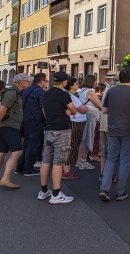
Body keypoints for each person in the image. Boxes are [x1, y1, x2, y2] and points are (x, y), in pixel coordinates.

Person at [99, 69, 130, 202]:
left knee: (111, 159)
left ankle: (104, 188)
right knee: (125, 160)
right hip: (129, 129)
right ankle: (120, 192)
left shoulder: (111, 91)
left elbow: (105, 110)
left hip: (113, 129)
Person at [38, 72, 77, 203]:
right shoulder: (64, 94)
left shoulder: (47, 93)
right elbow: (74, 110)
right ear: (64, 82)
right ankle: (56, 193)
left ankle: (43, 191)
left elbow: (44, 110)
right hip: (61, 130)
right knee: (58, 162)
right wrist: (68, 112)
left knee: (46, 160)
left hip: (48, 129)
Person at [0, 73, 32, 189]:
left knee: (1, 152)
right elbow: (2, 110)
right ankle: (5, 179)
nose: (29, 83)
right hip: (10, 126)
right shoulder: (13, 93)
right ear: (21, 83)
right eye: (27, 81)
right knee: (17, 152)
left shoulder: (14, 92)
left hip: (6, 126)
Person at [15, 73, 47, 176]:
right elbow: (43, 108)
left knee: (26, 144)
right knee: (32, 146)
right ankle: (28, 169)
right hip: (37, 121)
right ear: (41, 81)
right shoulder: (40, 91)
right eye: (45, 81)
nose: (45, 83)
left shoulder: (26, 90)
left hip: (26, 120)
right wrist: (48, 120)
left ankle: (20, 167)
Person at [62, 77, 88, 180]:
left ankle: (67, 169)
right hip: (75, 123)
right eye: (76, 83)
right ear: (71, 86)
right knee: (72, 145)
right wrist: (85, 108)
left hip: (75, 122)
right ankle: (66, 171)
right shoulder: (71, 97)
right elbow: (82, 109)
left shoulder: (70, 95)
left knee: (72, 145)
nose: (78, 85)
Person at [76, 75, 102, 170]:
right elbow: (99, 104)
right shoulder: (90, 92)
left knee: (83, 139)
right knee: (88, 139)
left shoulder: (80, 91)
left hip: (84, 115)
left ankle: (79, 161)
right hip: (91, 116)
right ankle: (83, 161)